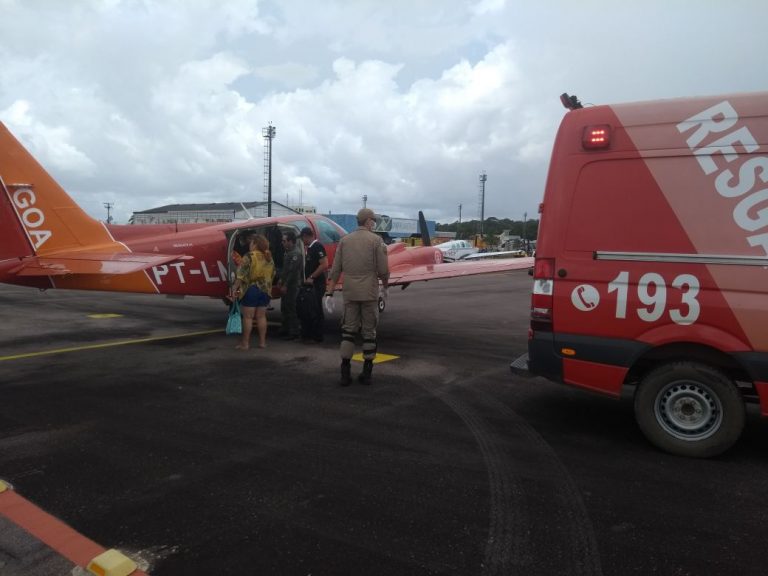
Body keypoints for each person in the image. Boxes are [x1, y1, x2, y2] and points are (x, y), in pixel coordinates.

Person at [325, 207, 389, 386]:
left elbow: (335, 270)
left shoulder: (344, 241)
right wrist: (385, 287)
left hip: (350, 293)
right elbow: (383, 270)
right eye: (373, 220)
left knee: (348, 332)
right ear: (368, 221)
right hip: (369, 293)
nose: (374, 223)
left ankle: (345, 373)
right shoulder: (376, 241)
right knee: (369, 332)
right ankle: (367, 373)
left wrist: (329, 292)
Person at [231, 234, 275, 350]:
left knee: (248, 317)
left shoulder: (249, 256)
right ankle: (262, 342)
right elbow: (273, 274)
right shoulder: (269, 257)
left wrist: (234, 289)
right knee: (261, 317)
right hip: (265, 290)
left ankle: (245, 344)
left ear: (255, 244)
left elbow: (241, 275)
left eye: (251, 243)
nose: (249, 245)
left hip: (251, 290)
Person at [299, 226, 328, 343]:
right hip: (310, 284)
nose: (302, 241)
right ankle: (309, 334)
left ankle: (318, 335)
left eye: (302, 238)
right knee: (309, 308)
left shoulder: (317, 246)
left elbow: (324, 264)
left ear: (306, 236)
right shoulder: (310, 248)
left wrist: (312, 277)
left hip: (317, 284)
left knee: (316, 309)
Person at [277, 230, 302, 340]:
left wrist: (285, 285)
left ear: (290, 241)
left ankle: (294, 331)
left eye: (284, 241)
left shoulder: (296, 254)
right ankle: (285, 328)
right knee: (284, 307)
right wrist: (281, 280)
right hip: (286, 283)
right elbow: (285, 270)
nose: (282, 243)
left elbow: (292, 272)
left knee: (291, 308)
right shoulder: (287, 252)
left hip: (292, 285)